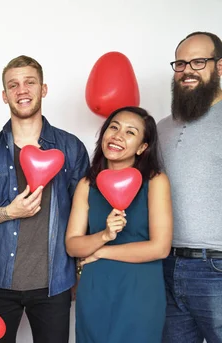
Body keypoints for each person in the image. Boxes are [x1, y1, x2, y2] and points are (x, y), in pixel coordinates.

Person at [0, 55, 89, 343]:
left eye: (30, 82)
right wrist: (8, 212)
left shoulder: (71, 148)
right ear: (5, 96)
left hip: (54, 285)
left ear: (43, 89)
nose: (22, 90)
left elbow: (84, 215)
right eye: (14, 85)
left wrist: (81, 271)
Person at [65, 106, 172, 342]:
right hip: (95, 290)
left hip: (139, 291)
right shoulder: (86, 184)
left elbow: (160, 248)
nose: (117, 136)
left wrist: (101, 251)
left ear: (143, 147)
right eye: (113, 127)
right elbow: (73, 245)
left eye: (130, 132)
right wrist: (103, 235)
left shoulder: (155, 182)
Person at [158, 31, 222, 343]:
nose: (187, 70)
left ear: (219, 67)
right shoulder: (162, 127)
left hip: (217, 268)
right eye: (181, 63)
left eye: (198, 62)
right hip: (166, 266)